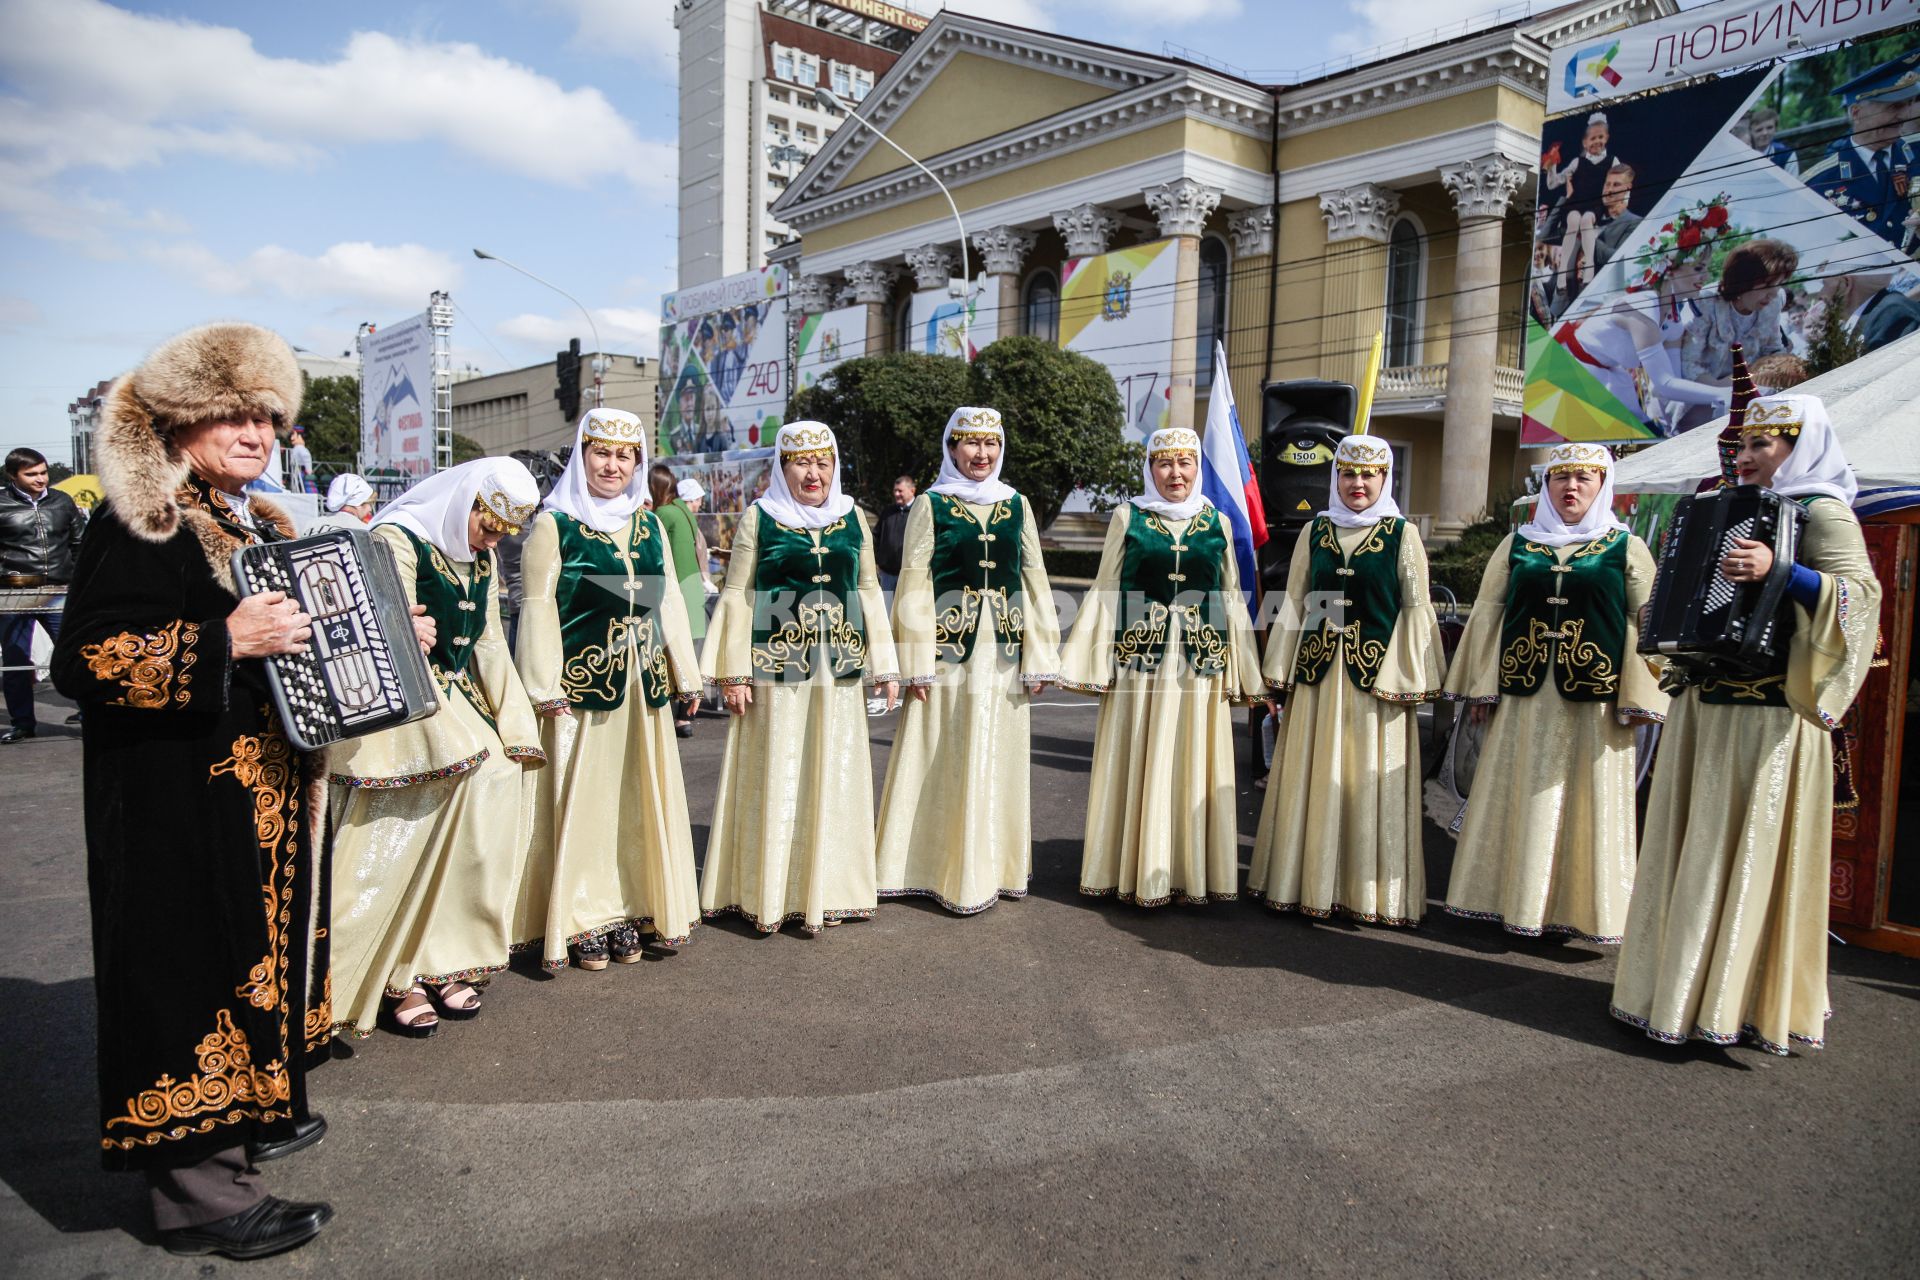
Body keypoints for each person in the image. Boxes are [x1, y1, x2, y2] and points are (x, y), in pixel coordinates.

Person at [50, 323, 349, 1259]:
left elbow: (290, 642)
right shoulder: (142, 521)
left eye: (268, 416)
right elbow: (85, 660)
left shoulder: (239, 518)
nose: (257, 432)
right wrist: (226, 643)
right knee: (185, 983)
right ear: (181, 421)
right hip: (172, 808)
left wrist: (384, 635)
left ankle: (248, 1126)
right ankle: (201, 1198)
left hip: (248, 804)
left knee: (244, 970)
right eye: (233, 415)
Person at [1612, 393, 1881, 1054]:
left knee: (1746, 853)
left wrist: (1784, 572)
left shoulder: (1825, 513)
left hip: (1770, 719)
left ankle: (1734, 1002)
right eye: (1745, 445)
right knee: (1690, 849)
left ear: (1801, 444)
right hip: (1708, 706)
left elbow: (1863, 603)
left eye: (1765, 445)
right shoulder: (1721, 507)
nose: (1748, 456)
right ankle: (1668, 989)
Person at [326, 457, 547, 1040]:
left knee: (498, 778)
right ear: (467, 501)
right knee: (422, 819)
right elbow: (373, 624)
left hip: (457, 700)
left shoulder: (482, 557)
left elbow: (491, 645)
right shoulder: (396, 540)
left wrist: (517, 725)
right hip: (405, 711)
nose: (493, 540)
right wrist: (400, 627)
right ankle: (397, 974)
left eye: (503, 532)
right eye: (489, 526)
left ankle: (445, 955)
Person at [1441, 444, 1666, 942]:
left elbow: (1647, 622)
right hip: (1524, 694)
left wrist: (1643, 692)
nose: (1571, 488)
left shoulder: (1625, 547)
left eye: (1584, 478)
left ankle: (1581, 910)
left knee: (1586, 800)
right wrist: (1480, 689)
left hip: (1595, 702)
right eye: (1560, 478)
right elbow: (1487, 613)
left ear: (1602, 485)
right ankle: (1505, 900)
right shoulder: (1518, 544)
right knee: (1516, 790)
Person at [514, 409, 703, 971]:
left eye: (625, 456)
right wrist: (545, 685)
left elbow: (666, 599)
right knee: (586, 806)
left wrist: (685, 673)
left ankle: (632, 906)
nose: (613, 465)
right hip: (580, 692)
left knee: (635, 803)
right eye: (602, 453)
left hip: (641, 690)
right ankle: (580, 917)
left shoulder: (647, 525)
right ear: (582, 455)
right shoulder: (555, 525)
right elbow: (537, 609)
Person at [698, 421, 899, 935]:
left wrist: (887, 665)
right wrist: (733, 671)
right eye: (801, 462)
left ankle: (832, 888)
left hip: (841, 669)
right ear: (782, 467)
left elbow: (870, 589)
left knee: (836, 770)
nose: (814, 473)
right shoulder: (760, 518)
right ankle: (773, 891)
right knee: (780, 772)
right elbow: (739, 593)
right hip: (776, 665)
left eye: (823, 461)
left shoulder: (852, 516)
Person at [1060, 426, 1264, 906]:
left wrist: (1244, 670)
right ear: (1150, 468)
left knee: (1193, 760)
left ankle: (1189, 872)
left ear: (1197, 468)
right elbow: (1108, 586)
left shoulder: (1217, 520)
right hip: (1141, 662)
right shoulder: (1127, 516)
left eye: (1185, 463)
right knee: (1141, 757)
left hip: (1200, 662)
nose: (1176, 473)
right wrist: (1091, 660)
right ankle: (1133, 871)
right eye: (1165, 463)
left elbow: (1230, 596)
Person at [1247, 435, 1444, 927]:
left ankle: (1366, 894)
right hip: (1316, 680)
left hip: (1376, 684)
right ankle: (1305, 881)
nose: (1358, 483)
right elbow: (1292, 603)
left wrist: (1405, 678)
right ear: (1335, 478)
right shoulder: (1315, 531)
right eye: (1348, 474)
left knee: (1365, 780)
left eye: (1368, 474)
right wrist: (1278, 675)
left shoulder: (1403, 535)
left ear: (1384, 478)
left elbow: (1417, 613)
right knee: (1315, 779)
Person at [874, 407, 1063, 915]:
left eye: (991, 445)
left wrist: (1040, 654)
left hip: (1001, 654)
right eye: (971, 444)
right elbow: (913, 581)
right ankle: (926, 867)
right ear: (951, 448)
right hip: (944, 656)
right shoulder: (930, 505)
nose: (982, 455)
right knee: (942, 752)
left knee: (996, 754)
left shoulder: (1017, 505)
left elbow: (1033, 577)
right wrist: (914, 661)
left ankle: (992, 868)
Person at [1, 446, 85, 742]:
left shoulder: (62, 501)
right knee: (16, 661)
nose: (41, 479)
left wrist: (78, 582)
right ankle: (22, 723)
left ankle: (88, 712)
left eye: (44, 472)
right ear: (13, 475)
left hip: (59, 591)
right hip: (14, 593)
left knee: (76, 655)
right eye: (32, 474)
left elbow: (79, 544)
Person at [1803, 51, 1920, 252]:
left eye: (1908, 104)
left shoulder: (1916, 153)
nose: (1904, 115)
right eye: (1894, 107)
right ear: (1857, 113)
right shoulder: (1819, 182)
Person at [1680, 238, 1798, 386]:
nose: (1773, 293)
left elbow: (1773, 350)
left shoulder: (1774, 302)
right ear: (1743, 280)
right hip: (1706, 393)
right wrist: (1723, 392)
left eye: (1779, 284)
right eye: (1767, 285)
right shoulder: (1706, 302)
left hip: (1754, 389)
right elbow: (1689, 366)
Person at [650, 461, 707, 737]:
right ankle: (686, 715)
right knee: (688, 653)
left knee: (667, 652)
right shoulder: (683, 512)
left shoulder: (662, 515)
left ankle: (678, 717)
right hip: (692, 586)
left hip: (674, 592)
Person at [1590, 163, 1643, 272]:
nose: (1609, 190)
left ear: (1628, 188)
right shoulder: (1588, 217)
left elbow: (1619, 260)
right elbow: (1548, 236)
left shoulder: (1635, 222)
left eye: (1616, 185)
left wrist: (1589, 238)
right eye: (1607, 184)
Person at [873, 474, 916, 592]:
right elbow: (875, 537)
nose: (896, 494)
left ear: (912, 491)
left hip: (910, 576)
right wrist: (877, 560)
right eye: (895, 490)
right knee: (887, 608)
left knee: (907, 609)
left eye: (900, 491)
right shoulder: (888, 512)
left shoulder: (919, 511)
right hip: (887, 575)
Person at [308, 472, 375, 532]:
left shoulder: (312, 524)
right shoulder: (364, 531)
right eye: (369, 504)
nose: (370, 509)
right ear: (358, 503)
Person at [284, 429, 314, 494]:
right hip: (295, 472)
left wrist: (309, 471)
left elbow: (306, 457)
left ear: (300, 436)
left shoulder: (300, 448)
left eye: (293, 435)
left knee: (299, 488)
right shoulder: (297, 448)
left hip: (300, 472)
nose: (291, 438)